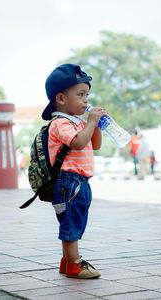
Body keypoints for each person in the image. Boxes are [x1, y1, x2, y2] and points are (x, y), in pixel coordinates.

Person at [41, 64, 106, 279]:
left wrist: (95, 125)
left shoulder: (78, 123)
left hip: (80, 181)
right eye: (80, 95)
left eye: (87, 95)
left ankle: (67, 262)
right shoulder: (60, 123)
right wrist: (91, 121)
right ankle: (75, 264)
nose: (86, 101)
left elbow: (94, 144)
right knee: (71, 223)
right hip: (68, 182)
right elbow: (78, 143)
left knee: (76, 220)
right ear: (61, 98)